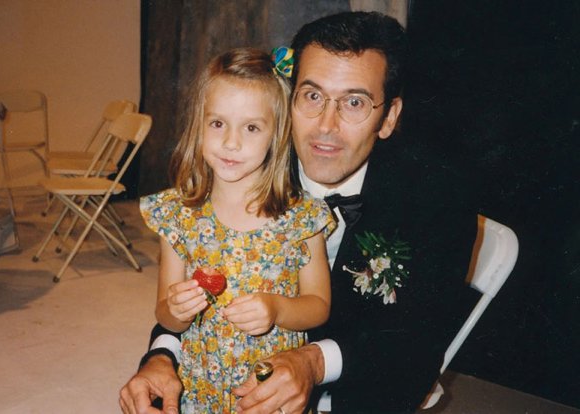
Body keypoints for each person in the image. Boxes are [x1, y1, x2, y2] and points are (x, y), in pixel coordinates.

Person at [120, 11, 479, 413]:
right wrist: (161, 357)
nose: (326, 126)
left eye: (354, 102)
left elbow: (415, 341)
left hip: (356, 390)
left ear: (388, 116)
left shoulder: (438, 198)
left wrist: (312, 363)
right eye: (312, 96)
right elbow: (196, 269)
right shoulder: (248, 163)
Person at [132, 47, 335, 413]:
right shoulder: (179, 216)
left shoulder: (301, 219)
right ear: (199, 125)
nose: (230, 142)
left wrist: (277, 308)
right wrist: (178, 310)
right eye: (218, 123)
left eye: (252, 127)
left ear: (277, 135)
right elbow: (164, 313)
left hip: (268, 392)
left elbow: (318, 306)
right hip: (199, 386)